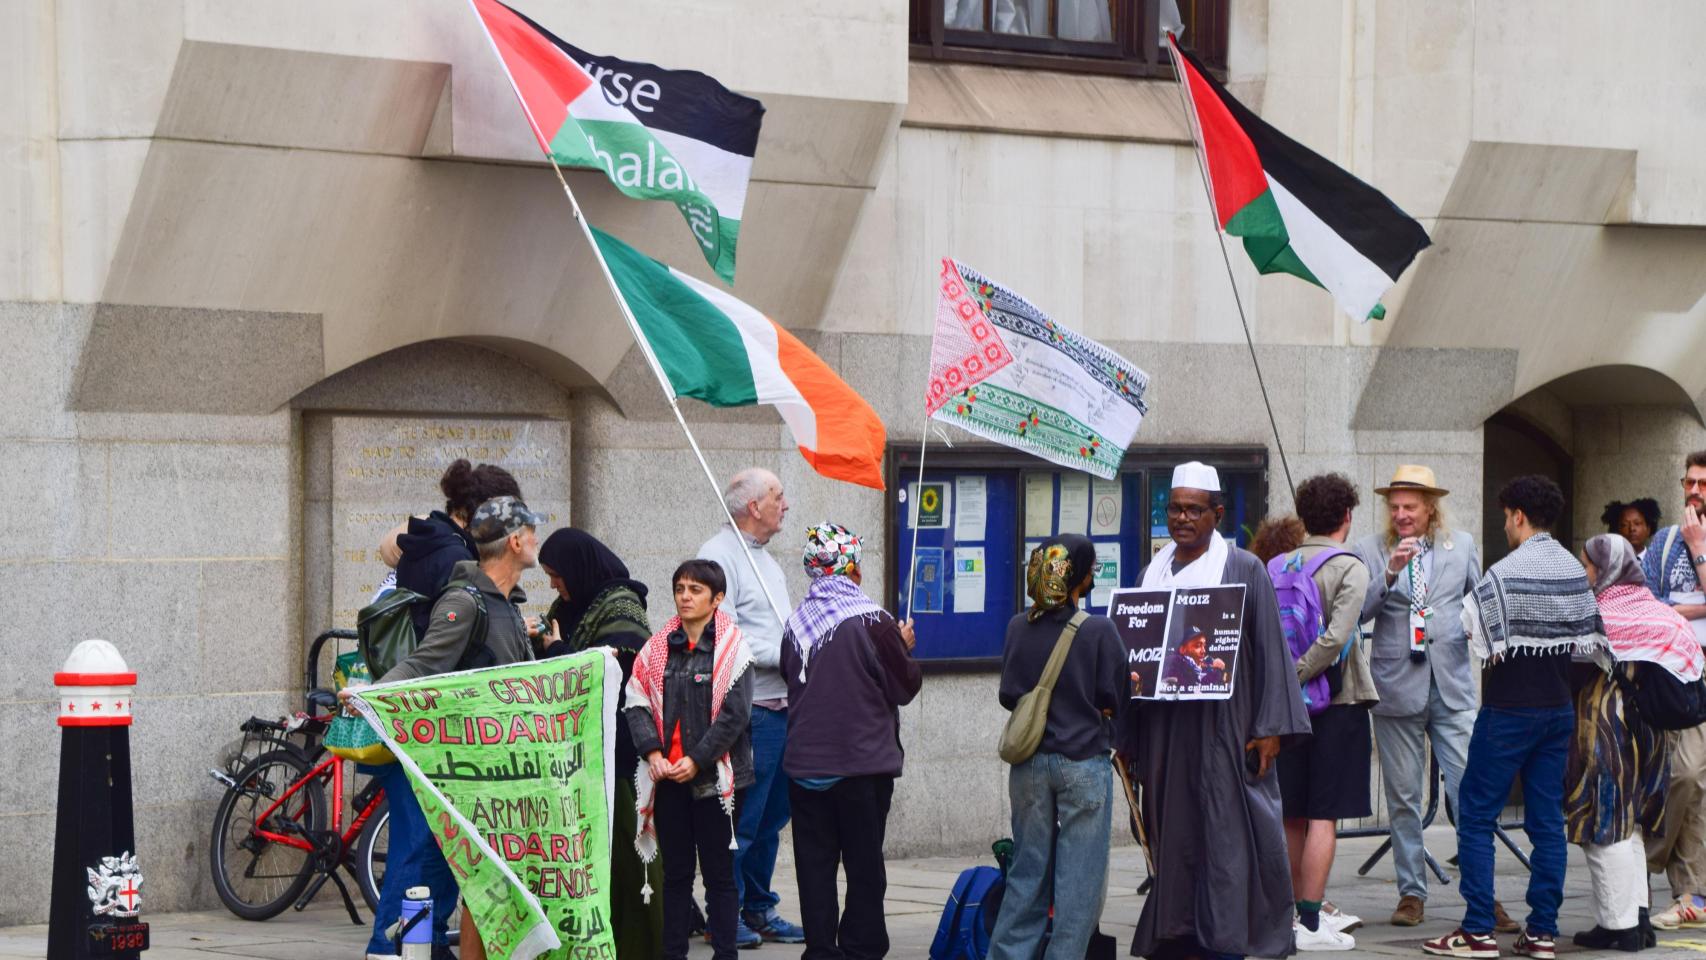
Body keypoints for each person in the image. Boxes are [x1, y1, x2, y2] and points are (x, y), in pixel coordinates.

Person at [1120, 462, 1312, 960]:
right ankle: (1178, 930)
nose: (1182, 518)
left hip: (1226, 728)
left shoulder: (1243, 568)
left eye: (1193, 510)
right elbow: (1136, 655)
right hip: (1166, 730)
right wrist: (1127, 736)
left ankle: (1227, 937)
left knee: (1226, 836)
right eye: (1175, 508)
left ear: (1217, 513)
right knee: (1174, 835)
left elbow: (1271, 648)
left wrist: (1271, 728)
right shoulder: (1151, 572)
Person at [349, 494, 545, 960]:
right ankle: (393, 952)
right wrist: (370, 697)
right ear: (516, 541)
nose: (538, 539)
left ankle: (424, 949)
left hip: (494, 773)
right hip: (459, 772)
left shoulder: (507, 604)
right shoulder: (465, 599)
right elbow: (426, 660)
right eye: (532, 532)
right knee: (430, 868)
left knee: (464, 878)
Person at [1424, 475, 1605, 960]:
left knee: (1477, 814)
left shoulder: (1506, 571)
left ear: (1519, 516)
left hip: (1507, 711)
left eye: (1506, 516)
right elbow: (1589, 636)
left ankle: (1478, 929)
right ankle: (1542, 932)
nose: (1505, 524)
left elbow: (1472, 630)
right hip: (1557, 710)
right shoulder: (1572, 569)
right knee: (1547, 821)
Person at [1351, 465, 1498, 929]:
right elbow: (1359, 610)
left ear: (1430, 507)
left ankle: (1484, 895)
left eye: (1410, 507)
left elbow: (1480, 602)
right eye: (1394, 507)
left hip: (1452, 684)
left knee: (1469, 792)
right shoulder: (1371, 550)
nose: (1401, 515)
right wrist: (1390, 574)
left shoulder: (1464, 546)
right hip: (1397, 685)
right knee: (1404, 797)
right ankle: (1411, 892)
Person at [779, 523, 922, 960]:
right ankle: (860, 948)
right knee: (864, 868)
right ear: (851, 568)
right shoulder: (874, 622)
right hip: (861, 768)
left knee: (815, 868)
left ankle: (821, 950)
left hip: (805, 769)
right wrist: (904, 646)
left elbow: (793, 680)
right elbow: (904, 687)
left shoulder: (797, 624)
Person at [990, 534, 1126, 960]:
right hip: (1083, 762)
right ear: (1080, 578)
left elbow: (1010, 695)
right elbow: (1114, 697)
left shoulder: (1017, 626)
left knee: (1027, 873)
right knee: (1079, 882)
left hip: (1029, 765)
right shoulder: (1099, 631)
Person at [1569, 533, 1704, 951]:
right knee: (1637, 824)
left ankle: (1618, 925)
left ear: (1607, 568)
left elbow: (1575, 657)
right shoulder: (1658, 611)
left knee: (1607, 820)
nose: (1585, 571)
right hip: (1654, 734)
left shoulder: (1601, 612)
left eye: (1590, 564)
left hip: (1610, 725)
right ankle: (1638, 919)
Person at [536, 528, 663, 959]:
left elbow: (610, 677)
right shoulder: (575, 604)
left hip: (620, 756)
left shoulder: (621, 610)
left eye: (557, 574)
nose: (554, 584)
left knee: (629, 860)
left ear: (578, 568)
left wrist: (556, 651)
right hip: (583, 754)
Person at [697, 467, 805, 946]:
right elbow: (723, 634)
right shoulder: (718, 556)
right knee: (743, 816)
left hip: (783, 706)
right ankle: (728, 910)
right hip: (752, 708)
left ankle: (759, 906)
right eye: (778, 496)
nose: (786, 504)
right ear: (752, 506)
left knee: (772, 817)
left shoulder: (767, 559)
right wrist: (788, 652)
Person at [627, 559, 755, 960]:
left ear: (716, 599)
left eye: (695, 590)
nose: (685, 596)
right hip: (668, 779)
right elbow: (636, 702)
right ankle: (673, 954)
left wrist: (697, 760)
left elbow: (735, 715)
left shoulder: (735, 649)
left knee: (719, 876)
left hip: (717, 780)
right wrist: (653, 754)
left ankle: (726, 954)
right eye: (680, 588)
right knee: (676, 875)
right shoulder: (658, 646)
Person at [1274, 473, 1374, 951]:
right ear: (1347, 517)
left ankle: (1293, 913)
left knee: (1293, 811)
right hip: (1337, 702)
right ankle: (1312, 921)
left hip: (1285, 708)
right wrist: (1299, 672)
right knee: (1323, 815)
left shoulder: (1276, 565)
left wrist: (1281, 679)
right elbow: (1336, 640)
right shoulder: (1350, 567)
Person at [1640, 450, 1706, 929]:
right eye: (1689, 482)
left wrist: (1699, 548)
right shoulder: (1662, 542)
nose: (1694, 492)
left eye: (1703, 484)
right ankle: (1689, 891)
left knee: (1694, 780)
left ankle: (1650, 863)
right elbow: (1646, 603)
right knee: (1686, 779)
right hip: (1676, 678)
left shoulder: (1693, 540)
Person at [1160, 627, 1227, 693]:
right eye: (1197, 646)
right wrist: (1217, 671)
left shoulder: (1203, 664)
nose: (1203, 651)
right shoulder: (1174, 662)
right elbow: (1194, 690)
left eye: (1204, 646)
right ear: (1182, 649)